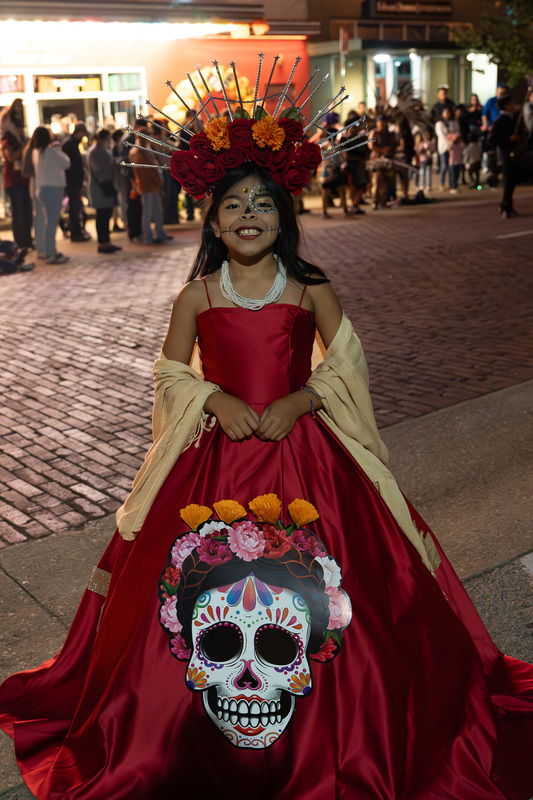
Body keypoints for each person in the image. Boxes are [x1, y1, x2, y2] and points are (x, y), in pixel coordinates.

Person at [1, 64, 533, 800]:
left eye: (262, 204)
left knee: (346, 586)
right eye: (233, 205)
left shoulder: (310, 288)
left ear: (285, 215)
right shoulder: (195, 295)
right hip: (218, 461)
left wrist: (304, 399)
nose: (248, 215)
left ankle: (344, 720)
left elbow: (347, 361)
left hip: (306, 456)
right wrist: (211, 398)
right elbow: (169, 373)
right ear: (213, 222)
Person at [31, 126, 71, 264]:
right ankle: (50, 253)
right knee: (51, 222)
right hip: (52, 189)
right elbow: (66, 162)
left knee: (48, 221)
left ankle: (49, 251)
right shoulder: (51, 151)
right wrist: (58, 149)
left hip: (42, 189)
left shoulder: (37, 152)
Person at [129, 125, 173, 245]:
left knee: (154, 210)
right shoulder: (139, 152)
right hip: (147, 184)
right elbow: (146, 170)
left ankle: (157, 233)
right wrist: (157, 180)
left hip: (149, 184)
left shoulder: (140, 151)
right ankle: (148, 235)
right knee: (148, 211)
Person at [0, 99, 33, 250]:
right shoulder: (8, 139)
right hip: (13, 181)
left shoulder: (23, 138)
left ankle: (27, 240)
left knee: (27, 212)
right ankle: (21, 242)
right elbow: (11, 157)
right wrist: (24, 146)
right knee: (19, 212)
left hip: (25, 178)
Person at [489, 94, 527, 218]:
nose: (514, 105)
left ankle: (508, 205)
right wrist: (508, 139)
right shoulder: (501, 120)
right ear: (506, 106)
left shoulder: (512, 119)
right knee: (508, 181)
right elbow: (492, 139)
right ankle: (505, 205)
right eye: (512, 103)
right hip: (505, 155)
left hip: (513, 154)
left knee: (512, 181)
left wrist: (519, 136)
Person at [88, 128, 122, 254]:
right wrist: (114, 163)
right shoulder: (95, 151)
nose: (109, 141)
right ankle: (102, 244)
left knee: (106, 215)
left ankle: (106, 242)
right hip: (101, 187)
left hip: (105, 185)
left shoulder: (100, 150)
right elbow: (100, 166)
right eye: (107, 139)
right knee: (102, 216)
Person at [62, 122, 91, 242]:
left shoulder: (71, 143)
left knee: (76, 207)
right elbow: (72, 165)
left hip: (74, 180)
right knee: (74, 207)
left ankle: (77, 230)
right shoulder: (70, 144)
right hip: (72, 181)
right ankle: (75, 232)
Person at [367, 114, 396, 209]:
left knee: (385, 181)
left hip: (387, 161)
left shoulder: (388, 133)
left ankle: (383, 201)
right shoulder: (374, 133)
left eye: (383, 123)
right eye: (380, 123)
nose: (382, 125)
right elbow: (371, 146)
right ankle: (375, 201)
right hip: (377, 161)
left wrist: (389, 150)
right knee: (376, 181)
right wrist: (382, 150)